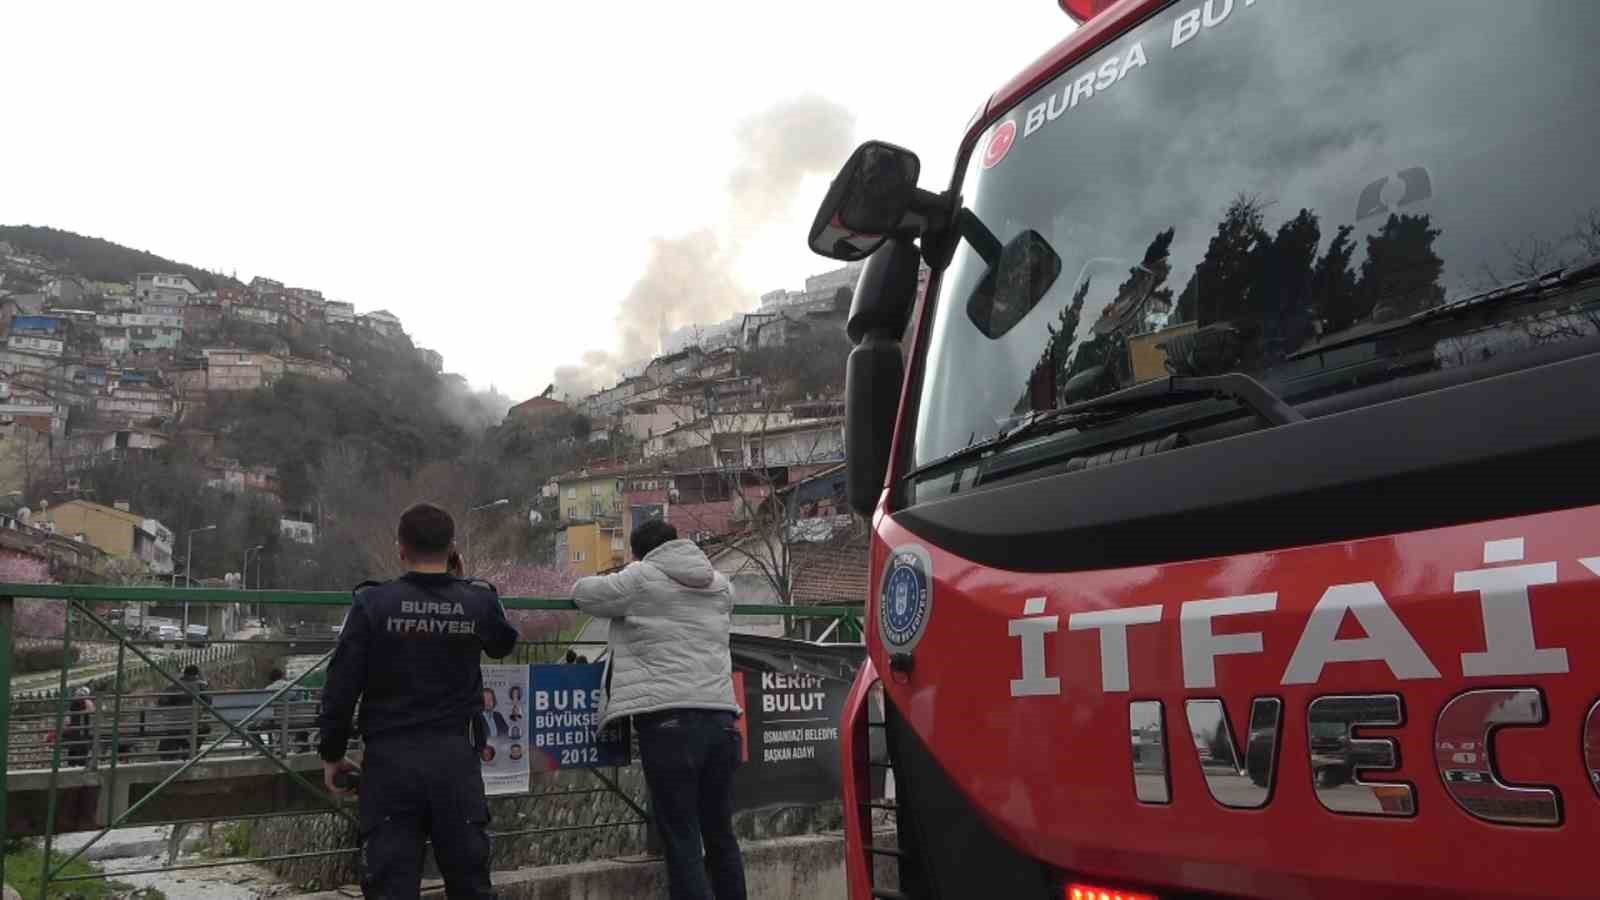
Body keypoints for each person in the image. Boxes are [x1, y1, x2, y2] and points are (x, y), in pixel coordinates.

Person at [317, 502, 519, 900]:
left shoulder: (372, 604)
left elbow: (340, 688)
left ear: (400, 549)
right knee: (471, 884)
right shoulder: (477, 601)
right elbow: (503, 643)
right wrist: (462, 586)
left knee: (390, 885)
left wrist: (332, 754)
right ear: (452, 548)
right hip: (455, 761)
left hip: (390, 763)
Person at [573, 519, 746, 900]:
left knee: (682, 838)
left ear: (640, 552)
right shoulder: (719, 585)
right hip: (721, 721)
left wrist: (627, 571)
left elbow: (583, 593)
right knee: (720, 834)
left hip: (669, 725)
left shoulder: (640, 578)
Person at [157, 665, 210, 760]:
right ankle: (190, 749)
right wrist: (205, 683)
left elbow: (161, 702)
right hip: (192, 723)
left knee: (176, 731)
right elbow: (208, 702)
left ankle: (185, 749)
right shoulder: (200, 685)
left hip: (173, 723)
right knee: (205, 728)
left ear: (184, 673)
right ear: (197, 675)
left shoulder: (174, 685)